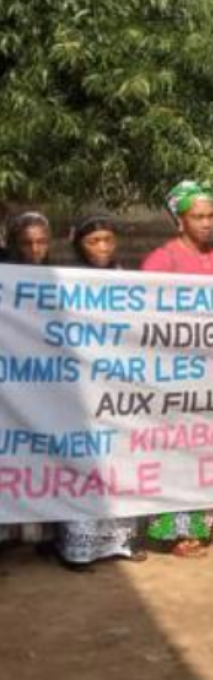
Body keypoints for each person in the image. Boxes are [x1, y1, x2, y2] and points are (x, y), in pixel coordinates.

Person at [141, 180, 213, 557]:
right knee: (180, 455)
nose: (207, 224)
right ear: (180, 220)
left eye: (211, 216)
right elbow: (143, 317)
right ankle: (179, 532)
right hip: (177, 377)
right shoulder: (162, 261)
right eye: (198, 217)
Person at [55, 216, 148, 569]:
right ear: (80, 244)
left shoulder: (129, 280)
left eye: (108, 239)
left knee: (120, 465)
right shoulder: (65, 281)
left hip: (121, 386)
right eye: (94, 241)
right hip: (79, 388)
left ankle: (119, 543)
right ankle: (79, 548)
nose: (103, 247)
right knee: (83, 467)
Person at [0, 211, 53, 548]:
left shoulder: (64, 278)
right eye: (27, 243)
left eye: (41, 242)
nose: (35, 249)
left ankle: (37, 530)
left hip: (50, 383)